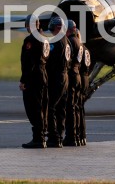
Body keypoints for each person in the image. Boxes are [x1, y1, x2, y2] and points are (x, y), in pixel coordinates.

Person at [19, 14, 50, 149]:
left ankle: (38, 139)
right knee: (43, 107)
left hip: (34, 77)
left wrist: (23, 80)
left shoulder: (30, 40)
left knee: (34, 108)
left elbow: (28, 62)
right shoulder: (45, 39)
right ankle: (42, 135)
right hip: (44, 75)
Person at [45, 16, 71, 148]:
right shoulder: (67, 41)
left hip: (56, 77)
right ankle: (60, 135)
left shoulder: (55, 41)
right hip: (65, 76)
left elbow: (49, 60)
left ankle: (54, 137)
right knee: (61, 108)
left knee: (50, 107)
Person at [62, 19, 82, 146]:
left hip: (71, 75)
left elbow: (66, 60)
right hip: (78, 75)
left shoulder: (70, 42)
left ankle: (71, 137)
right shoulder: (79, 42)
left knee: (70, 107)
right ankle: (77, 136)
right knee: (76, 107)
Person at [76, 28, 91, 146]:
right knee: (80, 108)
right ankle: (82, 136)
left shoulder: (77, 48)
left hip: (79, 77)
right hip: (86, 78)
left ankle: (75, 136)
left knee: (74, 108)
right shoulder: (85, 49)